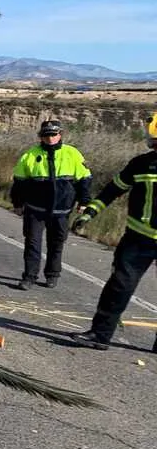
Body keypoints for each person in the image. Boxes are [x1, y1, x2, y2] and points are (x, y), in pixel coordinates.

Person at [70, 113, 157, 351]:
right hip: (138, 239)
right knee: (119, 286)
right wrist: (89, 214)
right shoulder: (140, 164)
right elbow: (112, 191)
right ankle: (100, 334)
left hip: (139, 240)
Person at [9, 119, 92, 290]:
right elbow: (19, 182)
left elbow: (84, 179)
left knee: (56, 243)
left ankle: (52, 275)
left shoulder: (72, 154)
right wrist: (17, 203)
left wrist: (84, 201)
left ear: (60, 134)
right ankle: (29, 277)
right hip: (35, 209)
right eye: (46, 135)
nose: (50, 138)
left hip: (62, 209)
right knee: (32, 243)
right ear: (41, 137)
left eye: (53, 134)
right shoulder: (30, 155)